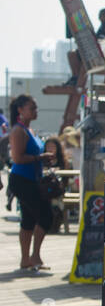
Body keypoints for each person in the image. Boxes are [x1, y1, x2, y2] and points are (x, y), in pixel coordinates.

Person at [8, 95, 54, 272]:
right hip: (21, 179)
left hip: (31, 178)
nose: (36, 111)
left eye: (36, 107)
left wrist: (43, 160)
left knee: (28, 219)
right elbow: (17, 158)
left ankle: (25, 259)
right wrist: (39, 158)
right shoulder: (18, 131)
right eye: (32, 107)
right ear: (20, 110)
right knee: (45, 215)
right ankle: (35, 256)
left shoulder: (29, 130)